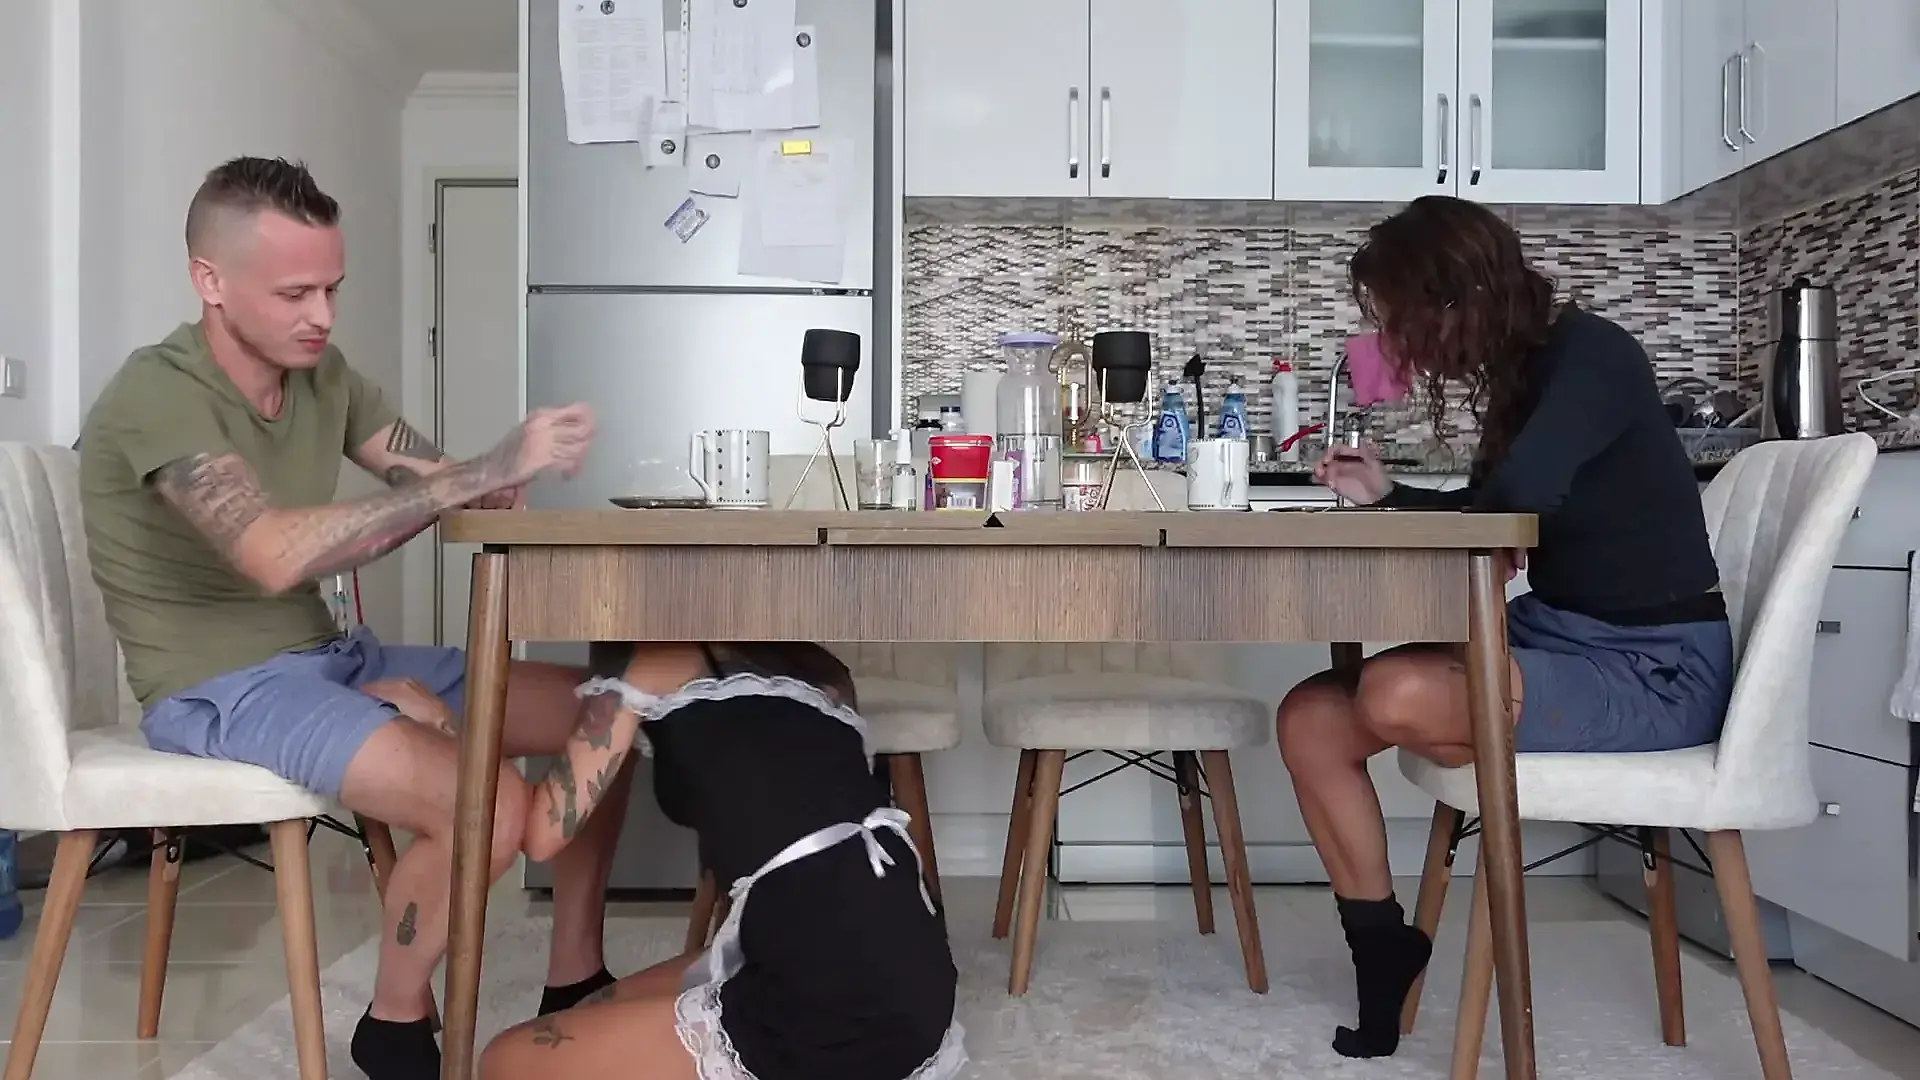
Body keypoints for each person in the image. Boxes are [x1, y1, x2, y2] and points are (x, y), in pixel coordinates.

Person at [76, 156, 692, 1080]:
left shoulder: (322, 376)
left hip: (330, 658)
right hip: (221, 689)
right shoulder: (156, 394)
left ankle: (573, 973)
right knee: (491, 805)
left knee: (606, 707)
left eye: (332, 288)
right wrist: (472, 477)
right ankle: (395, 1024)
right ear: (210, 281)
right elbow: (272, 552)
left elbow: (440, 483)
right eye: (294, 292)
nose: (321, 315)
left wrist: (501, 472)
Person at [1276, 195, 1734, 1060]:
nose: (1397, 343)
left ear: (1456, 298)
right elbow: (1501, 513)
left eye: (1401, 320)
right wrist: (1392, 495)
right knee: (1309, 719)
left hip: (1656, 669)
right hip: (1556, 636)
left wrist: (1431, 506)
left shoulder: (1591, 354)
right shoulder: (1526, 376)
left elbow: (1515, 503)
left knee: (1393, 691)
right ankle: (1383, 951)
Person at [480, 642, 967, 1080]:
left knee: (504, 1060)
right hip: (917, 982)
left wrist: (452, 733)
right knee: (589, 1011)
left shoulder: (654, 664)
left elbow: (541, 839)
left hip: (827, 1007)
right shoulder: (823, 669)